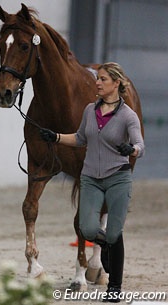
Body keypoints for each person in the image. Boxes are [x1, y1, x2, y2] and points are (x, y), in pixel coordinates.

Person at [40, 62, 145, 302]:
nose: (97, 83)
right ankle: (106, 246)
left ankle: (114, 288)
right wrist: (55, 137)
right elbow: (79, 138)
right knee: (87, 228)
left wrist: (133, 149)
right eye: (97, 78)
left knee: (115, 232)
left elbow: (140, 145)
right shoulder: (89, 110)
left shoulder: (128, 115)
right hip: (91, 179)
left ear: (116, 83)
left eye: (103, 79)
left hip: (118, 178)